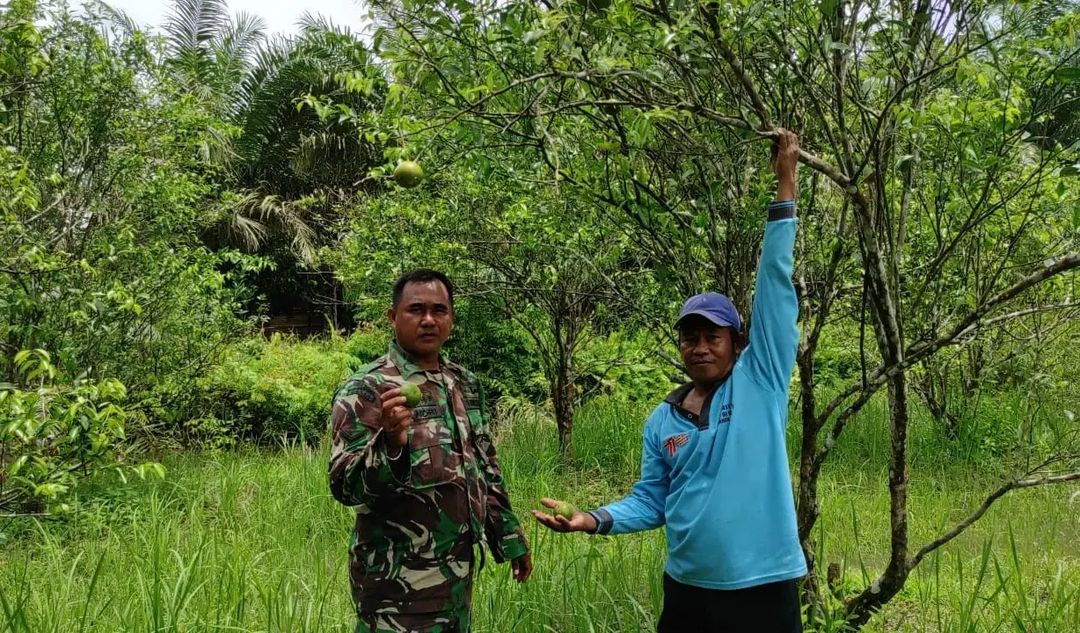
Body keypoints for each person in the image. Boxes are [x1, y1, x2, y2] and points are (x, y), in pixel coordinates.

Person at [533, 130, 806, 633]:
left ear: (738, 343)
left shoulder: (761, 382)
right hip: (687, 589)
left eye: (712, 336)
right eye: (689, 337)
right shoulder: (663, 419)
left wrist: (784, 186)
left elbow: (774, 285)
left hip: (763, 586)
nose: (699, 346)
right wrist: (591, 519)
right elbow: (652, 499)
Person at [329, 269, 532, 633]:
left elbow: (483, 464)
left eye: (439, 310)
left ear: (451, 318)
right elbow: (344, 487)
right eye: (416, 309)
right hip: (396, 588)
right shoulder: (367, 388)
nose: (428, 320)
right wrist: (391, 444)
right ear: (393, 317)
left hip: (456, 578)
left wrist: (510, 537)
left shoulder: (464, 382)